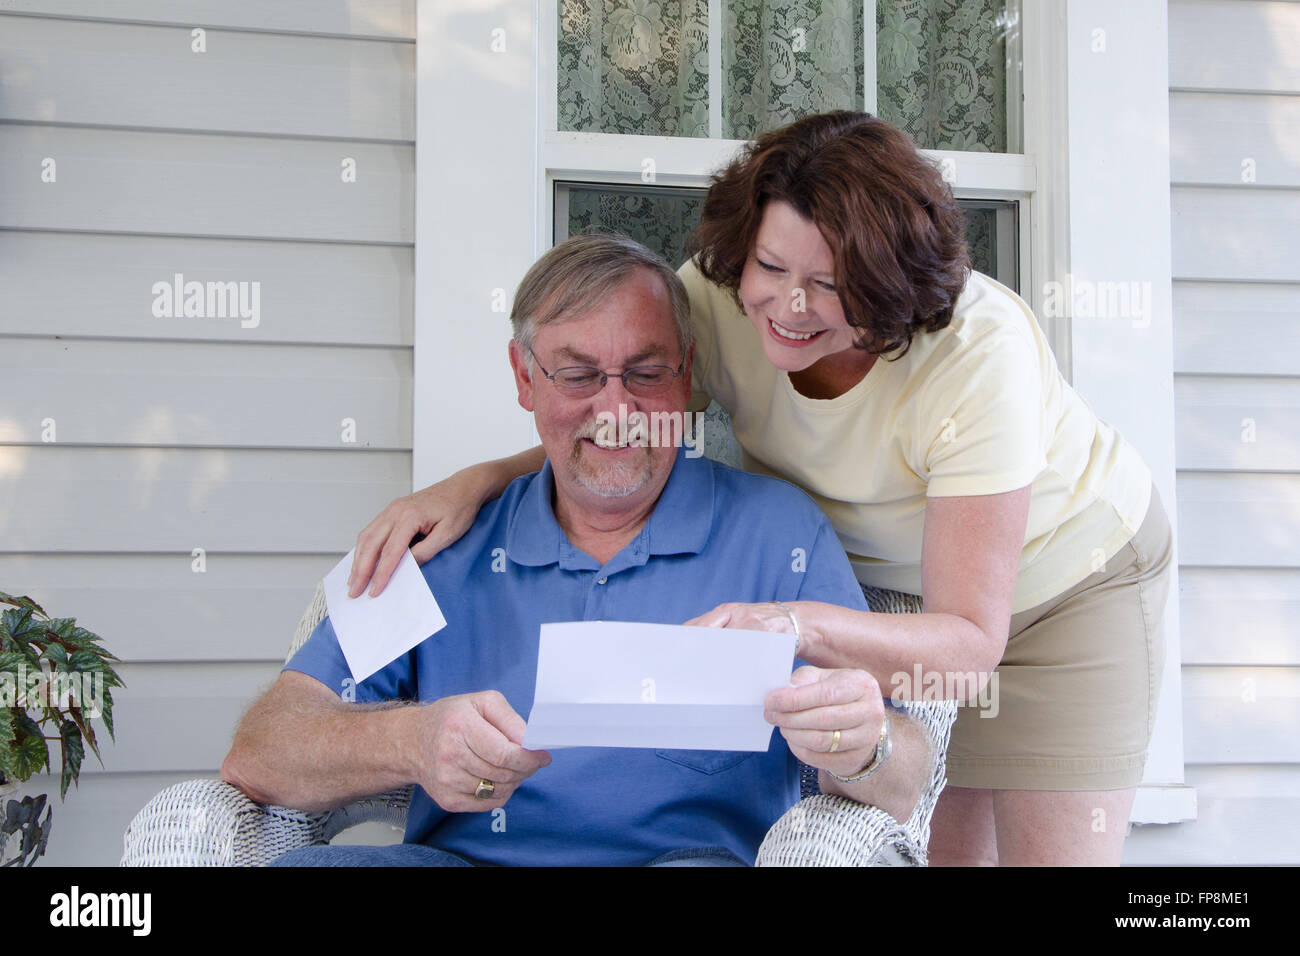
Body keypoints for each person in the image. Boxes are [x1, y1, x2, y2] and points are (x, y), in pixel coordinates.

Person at [345, 112, 1174, 867]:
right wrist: (475, 482)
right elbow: (613, 412)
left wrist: (789, 621)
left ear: (888, 280)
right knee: (947, 853)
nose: (790, 306)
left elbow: (966, 646)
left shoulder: (977, 354)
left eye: (832, 281)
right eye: (771, 266)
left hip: (1060, 585)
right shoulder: (712, 299)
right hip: (882, 578)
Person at [221, 233, 933, 867]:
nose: (616, 410)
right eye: (579, 374)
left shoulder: (777, 533)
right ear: (524, 376)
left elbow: (906, 778)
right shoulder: (438, 544)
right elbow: (261, 749)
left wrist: (863, 742)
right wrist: (409, 740)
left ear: (687, 374)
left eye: (646, 373)